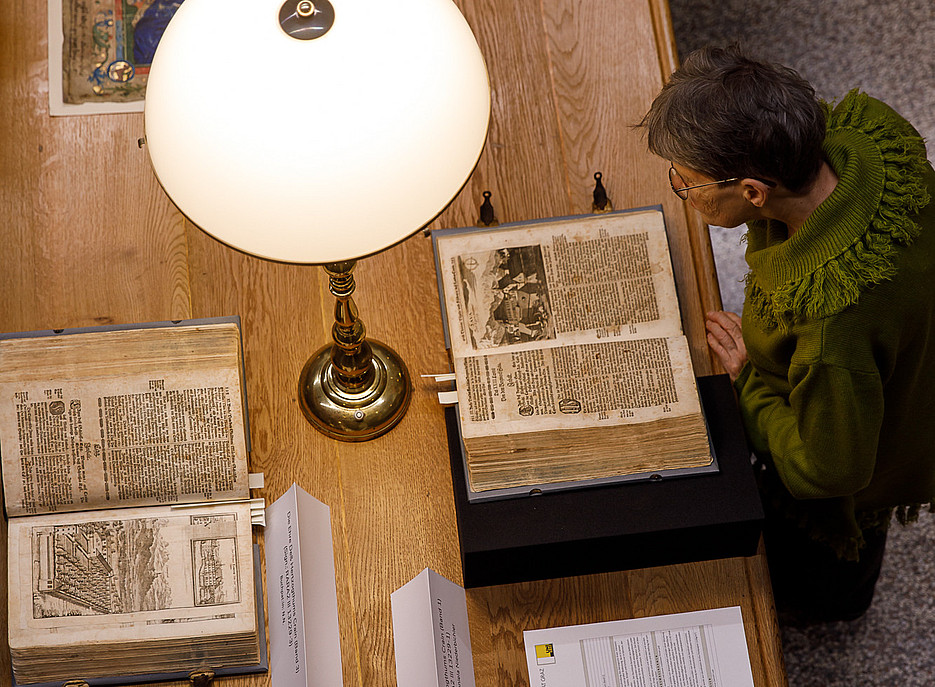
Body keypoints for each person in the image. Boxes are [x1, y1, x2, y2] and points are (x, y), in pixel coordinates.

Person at [639, 45, 935, 624]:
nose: (678, 185)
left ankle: (837, 602)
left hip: (864, 434)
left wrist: (749, 379)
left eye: (687, 182)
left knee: (827, 574)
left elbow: (828, 471)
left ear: (753, 192)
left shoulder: (828, 326)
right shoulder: (871, 139)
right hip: (912, 356)